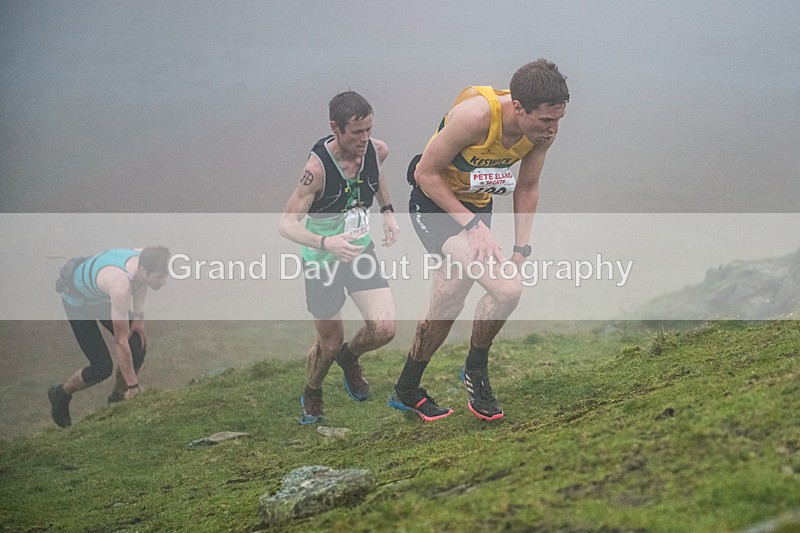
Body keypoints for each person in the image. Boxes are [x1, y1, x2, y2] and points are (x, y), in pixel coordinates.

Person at [388, 59, 569, 422]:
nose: (553, 129)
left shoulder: (541, 133)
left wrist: (521, 249)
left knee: (447, 300)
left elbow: (528, 186)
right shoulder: (475, 117)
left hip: (476, 208)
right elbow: (424, 173)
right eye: (546, 120)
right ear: (518, 108)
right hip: (433, 205)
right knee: (506, 290)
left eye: (559, 119)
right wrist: (471, 225)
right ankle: (476, 370)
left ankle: (406, 388)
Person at [278, 91, 399, 425]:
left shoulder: (376, 150)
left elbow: (377, 175)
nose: (364, 139)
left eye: (368, 130)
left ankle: (351, 357)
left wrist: (388, 212)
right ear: (335, 127)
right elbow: (285, 223)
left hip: (360, 251)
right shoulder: (315, 170)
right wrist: (326, 242)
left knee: (385, 329)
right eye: (355, 132)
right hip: (322, 261)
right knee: (328, 344)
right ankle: (313, 391)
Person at [47, 246, 170, 427]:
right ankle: (61, 393)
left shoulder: (145, 258)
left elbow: (143, 282)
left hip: (101, 297)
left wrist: (137, 318)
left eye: (165, 276)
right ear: (143, 270)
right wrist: (134, 386)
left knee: (137, 346)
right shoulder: (120, 284)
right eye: (160, 277)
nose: (164, 282)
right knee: (102, 367)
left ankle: (117, 398)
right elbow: (120, 341)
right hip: (79, 305)